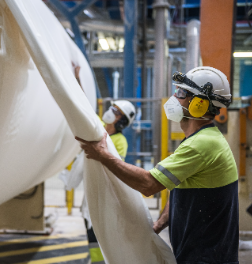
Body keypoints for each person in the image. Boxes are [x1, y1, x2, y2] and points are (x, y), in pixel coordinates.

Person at [76, 66, 238, 264]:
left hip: (206, 258)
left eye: (181, 93)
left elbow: (148, 184)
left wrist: (102, 155)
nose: (174, 97)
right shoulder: (201, 139)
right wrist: (161, 222)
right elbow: (179, 184)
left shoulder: (202, 144)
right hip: (201, 254)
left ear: (199, 104)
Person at [85, 100, 136, 264]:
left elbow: (112, 166)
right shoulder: (99, 126)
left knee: (102, 228)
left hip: (107, 191)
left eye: (116, 111)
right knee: (90, 227)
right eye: (112, 108)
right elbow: (83, 111)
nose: (111, 111)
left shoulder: (120, 141)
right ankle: (96, 261)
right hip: (92, 187)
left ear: (122, 120)